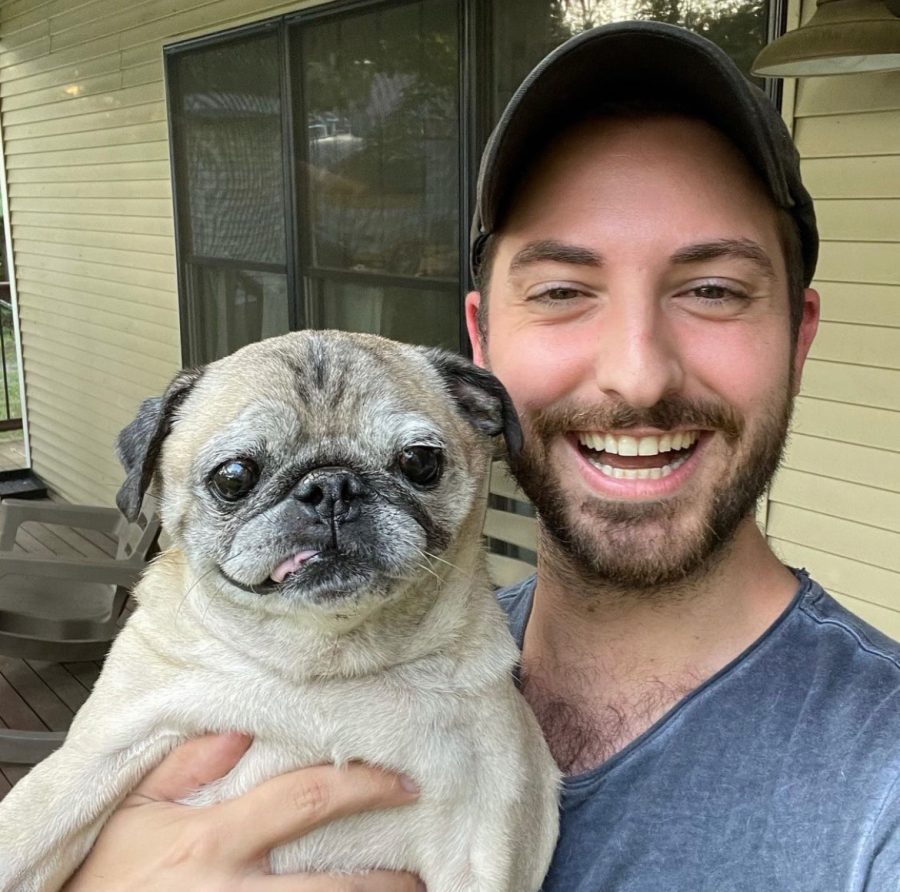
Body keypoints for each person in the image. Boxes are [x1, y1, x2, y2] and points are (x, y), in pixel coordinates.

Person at [64, 21, 899, 892]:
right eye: (563, 292)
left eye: (714, 290)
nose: (637, 372)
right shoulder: (338, 645)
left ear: (797, 340)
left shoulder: (878, 795)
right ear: (482, 345)